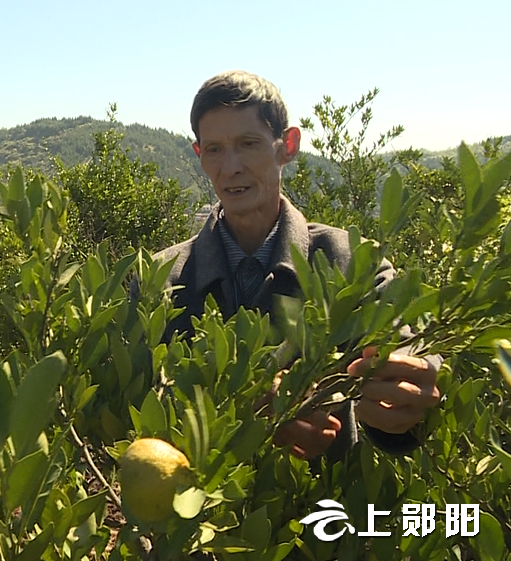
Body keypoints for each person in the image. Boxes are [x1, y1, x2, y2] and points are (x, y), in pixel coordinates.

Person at [154, 70, 441, 462]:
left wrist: (405, 398)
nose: (231, 166)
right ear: (199, 155)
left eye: (248, 144)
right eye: (215, 149)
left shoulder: (351, 262)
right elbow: (132, 401)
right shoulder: (162, 279)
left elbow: (408, 346)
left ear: (286, 146)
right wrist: (241, 409)